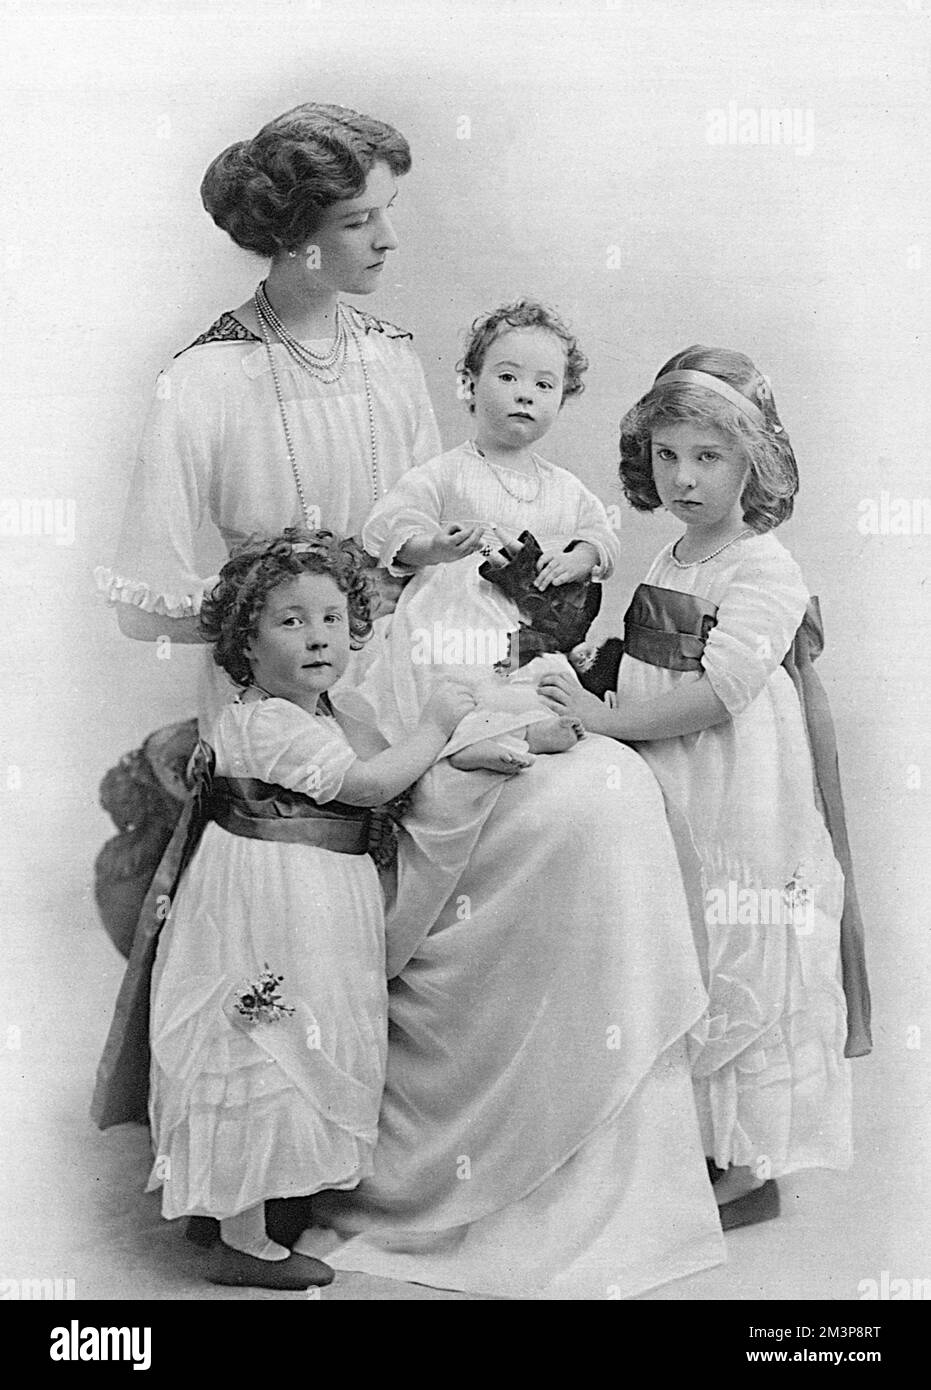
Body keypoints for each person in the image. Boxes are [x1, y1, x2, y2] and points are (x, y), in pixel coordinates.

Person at [538, 345, 868, 1232]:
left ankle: (748, 1161)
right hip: (670, 769)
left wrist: (600, 723)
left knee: (737, 931)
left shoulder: (760, 567)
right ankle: (691, 1138)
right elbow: (646, 655)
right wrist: (591, 672)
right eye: (665, 455)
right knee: (680, 926)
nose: (682, 477)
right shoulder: (672, 554)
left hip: (733, 778)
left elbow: (716, 693)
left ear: (751, 462)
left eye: (707, 457)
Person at [146, 531, 476, 1289]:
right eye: (290, 622)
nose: (317, 637)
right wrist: (437, 726)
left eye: (330, 619)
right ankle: (241, 1236)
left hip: (313, 899)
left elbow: (377, 755)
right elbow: (369, 785)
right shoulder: (267, 721)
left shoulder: (323, 709)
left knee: (303, 1040)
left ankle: (260, 1207)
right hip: (270, 904)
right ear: (245, 644)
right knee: (264, 1045)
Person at [94, 101, 440, 725]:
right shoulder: (205, 380)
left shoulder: (392, 359)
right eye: (359, 220)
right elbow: (141, 609)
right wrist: (288, 611)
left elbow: (437, 543)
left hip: (408, 673)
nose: (388, 237)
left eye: (388, 211)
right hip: (275, 700)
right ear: (291, 236)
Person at [356, 299, 619, 770]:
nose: (525, 395)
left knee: (541, 678)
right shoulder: (448, 471)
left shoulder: (563, 485)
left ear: (561, 398)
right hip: (455, 609)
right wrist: (434, 546)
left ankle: (525, 731)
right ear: (469, 385)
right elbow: (391, 524)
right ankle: (464, 742)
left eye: (544, 385)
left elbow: (600, 534)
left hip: (527, 620)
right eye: (507, 377)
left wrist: (580, 557)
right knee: (452, 670)